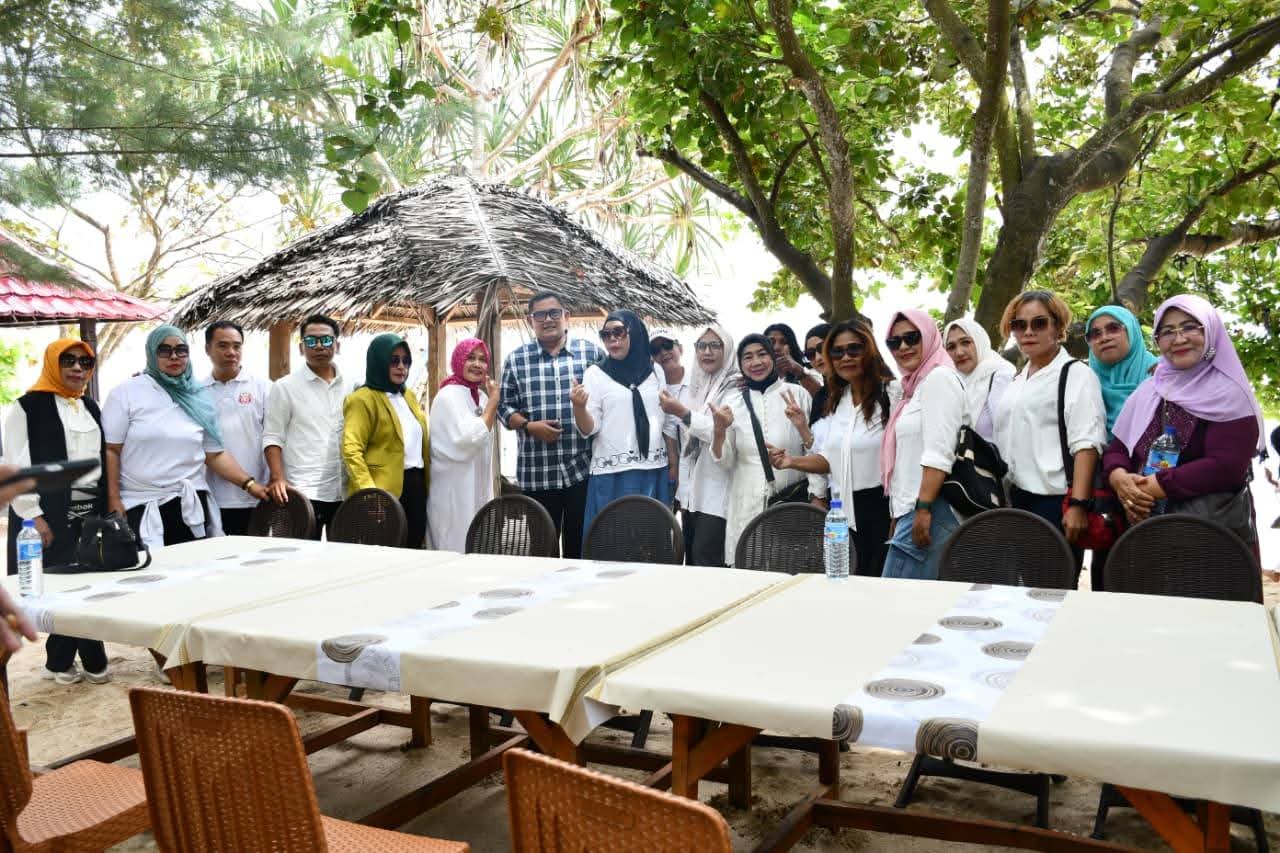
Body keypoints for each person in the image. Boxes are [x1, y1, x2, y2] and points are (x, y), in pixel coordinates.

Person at [1104, 294, 1264, 555]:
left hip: (1209, 538)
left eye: (1190, 327)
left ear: (1210, 332)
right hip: (1146, 529)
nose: (1178, 339)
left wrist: (1147, 488)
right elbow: (1117, 450)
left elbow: (1226, 466)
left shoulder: (1230, 393)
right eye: (1167, 332)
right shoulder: (1149, 390)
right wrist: (1120, 479)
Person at [3, 339, 110, 684]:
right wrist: (32, 515)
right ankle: (75, 660)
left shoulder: (90, 406)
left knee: (87, 583)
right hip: (47, 511)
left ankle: (69, 660)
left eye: (85, 362)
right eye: (68, 361)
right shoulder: (27, 407)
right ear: (52, 363)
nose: (78, 368)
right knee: (58, 587)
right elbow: (16, 465)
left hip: (88, 510)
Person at [104, 326, 269, 548]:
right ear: (151, 353)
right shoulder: (126, 393)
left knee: (192, 566)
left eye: (181, 350)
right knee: (148, 568)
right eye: (164, 350)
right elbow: (111, 450)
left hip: (189, 504)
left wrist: (250, 484)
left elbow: (214, 454)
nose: (174, 356)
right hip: (140, 504)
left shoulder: (198, 396)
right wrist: (114, 499)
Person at [770, 320, 895, 575]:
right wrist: (790, 461)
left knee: (881, 588)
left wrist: (902, 515)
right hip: (841, 512)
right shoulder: (838, 401)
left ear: (869, 350)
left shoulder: (892, 394)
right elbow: (829, 460)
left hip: (883, 510)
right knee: (844, 586)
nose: (845, 357)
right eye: (837, 352)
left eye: (854, 349)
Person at [993, 291, 1107, 569]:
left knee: (1049, 589)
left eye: (1039, 323)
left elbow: (1087, 443)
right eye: (1019, 325)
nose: (1028, 331)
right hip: (1013, 499)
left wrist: (1078, 505)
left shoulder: (1076, 374)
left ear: (1058, 327)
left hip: (1054, 503)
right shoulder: (1019, 378)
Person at [498, 291, 603, 558]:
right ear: (530, 320)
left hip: (582, 471)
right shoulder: (516, 360)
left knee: (581, 549)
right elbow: (503, 407)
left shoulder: (591, 353)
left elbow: (608, 401)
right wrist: (529, 426)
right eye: (540, 315)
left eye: (554, 313)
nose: (548, 320)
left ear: (567, 316)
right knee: (541, 550)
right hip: (537, 473)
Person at [710, 334, 811, 566]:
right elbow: (725, 461)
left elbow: (814, 452)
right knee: (749, 569)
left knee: (790, 569)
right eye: (747, 357)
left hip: (790, 505)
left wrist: (817, 496)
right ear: (740, 364)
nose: (756, 362)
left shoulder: (797, 395)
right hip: (747, 504)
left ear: (773, 357)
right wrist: (719, 430)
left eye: (762, 354)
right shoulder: (733, 402)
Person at [879, 310, 966, 580]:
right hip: (913, 509)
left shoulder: (939, 379)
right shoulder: (914, 388)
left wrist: (923, 509)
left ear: (929, 337)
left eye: (912, 337)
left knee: (895, 596)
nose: (903, 347)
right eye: (894, 342)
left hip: (933, 508)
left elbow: (939, 453)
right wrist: (899, 516)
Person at [571, 310, 670, 538]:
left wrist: (673, 462)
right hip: (613, 474)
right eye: (606, 335)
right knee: (611, 542)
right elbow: (589, 428)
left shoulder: (655, 371)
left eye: (619, 332)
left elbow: (665, 419)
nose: (612, 339)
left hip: (652, 469)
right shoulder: (595, 374)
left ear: (635, 333)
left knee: (650, 542)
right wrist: (579, 407)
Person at [262, 315, 354, 539]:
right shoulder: (285, 387)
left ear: (337, 345)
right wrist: (278, 478)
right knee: (299, 554)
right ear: (301, 347)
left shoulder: (352, 385)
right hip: (302, 491)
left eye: (326, 340)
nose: (319, 346)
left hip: (344, 490)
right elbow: (272, 437)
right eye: (311, 341)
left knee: (345, 554)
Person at [658, 325, 740, 565]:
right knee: (693, 562)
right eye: (702, 346)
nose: (707, 352)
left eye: (715, 346)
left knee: (708, 563)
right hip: (693, 495)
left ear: (727, 349)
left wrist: (683, 413)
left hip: (717, 494)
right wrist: (683, 495)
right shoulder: (699, 387)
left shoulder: (736, 387)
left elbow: (719, 431)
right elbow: (686, 445)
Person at [342, 333, 430, 549]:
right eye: (393, 360)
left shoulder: (408, 396)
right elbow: (351, 450)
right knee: (385, 552)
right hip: (382, 490)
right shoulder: (362, 399)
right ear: (379, 361)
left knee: (413, 549)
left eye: (406, 361)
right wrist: (370, 493)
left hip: (415, 485)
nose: (401, 367)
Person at [200, 321, 271, 536]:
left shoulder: (263, 388)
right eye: (222, 345)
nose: (231, 352)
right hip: (214, 497)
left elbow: (275, 439)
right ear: (208, 349)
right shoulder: (197, 393)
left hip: (259, 494)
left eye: (236, 346)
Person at [428, 338, 499, 552]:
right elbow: (468, 440)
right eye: (470, 358)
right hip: (454, 490)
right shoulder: (447, 396)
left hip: (477, 486)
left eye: (482, 359)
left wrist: (490, 402)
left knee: (478, 547)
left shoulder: (482, 397)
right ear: (458, 360)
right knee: (454, 547)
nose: (477, 364)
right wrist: (494, 403)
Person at [1086, 305, 1159, 438]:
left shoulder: (1161, 373)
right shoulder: (1085, 385)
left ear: (1131, 330)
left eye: (1113, 328)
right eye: (1095, 334)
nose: (1104, 338)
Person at [942, 318, 1015, 443]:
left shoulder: (1001, 377)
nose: (959, 352)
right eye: (951, 347)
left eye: (966, 342)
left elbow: (1010, 434)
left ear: (979, 341)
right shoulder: (951, 384)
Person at [650, 328, 689, 504]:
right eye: (655, 350)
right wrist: (674, 466)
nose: (663, 352)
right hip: (666, 468)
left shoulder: (701, 380)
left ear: (680, 348)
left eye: (667, 345)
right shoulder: (651, 388)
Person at [764, 322, 821, 394]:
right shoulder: (757, 378)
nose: (777, 347)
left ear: (792, 346)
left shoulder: (809, 371)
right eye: (771, 342)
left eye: (783, 342)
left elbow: (822, 396)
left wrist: (798, 371)